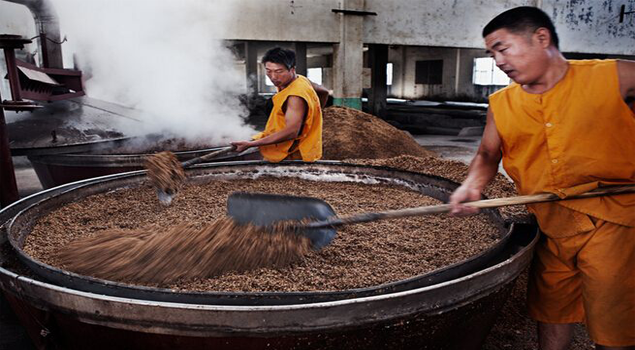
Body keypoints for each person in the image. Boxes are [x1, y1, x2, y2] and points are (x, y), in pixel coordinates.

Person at [449, 6, 635, 350]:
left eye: (502, 48)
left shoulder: (613, 76)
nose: (498, 60)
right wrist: (472, 185)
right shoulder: (502, 102)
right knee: (551, 308)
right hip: (550, 223)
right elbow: (489, 155)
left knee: (613, 318)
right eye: (491, 53)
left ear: (541, 38)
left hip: (612, 220)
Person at [232, 47, 329, 162]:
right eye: (268, 71)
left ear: (292, 69)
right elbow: (324, 91)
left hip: (292, 155)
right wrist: (314, 116)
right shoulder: (301, 79)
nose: (273, 77)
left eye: (279, 71)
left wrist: (251, 144)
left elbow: (291, 133)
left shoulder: (295, 96)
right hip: (289, 148)